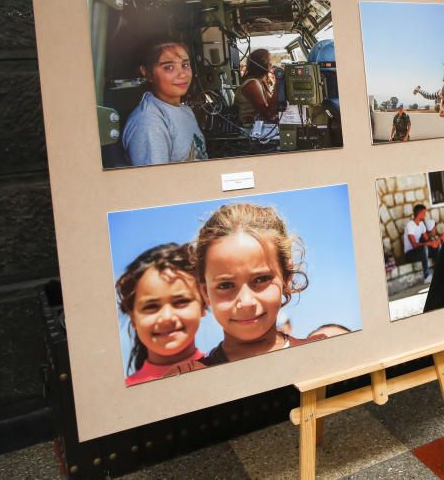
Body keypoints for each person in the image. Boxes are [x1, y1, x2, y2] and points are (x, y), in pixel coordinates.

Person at [192, 203, 312, 365]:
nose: (246, 302)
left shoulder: (318, 356)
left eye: (261, 279)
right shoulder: (188, 379)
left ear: (286, 277)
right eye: (225, 285)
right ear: (205, 293)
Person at [115, 243, 205, 386]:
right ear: (133, 318)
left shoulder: (227, 366)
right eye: (151, 306)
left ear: (203, 304)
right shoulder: (125, 393)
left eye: (181, 301)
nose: (167, 317)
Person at [122, 40, 208, 166]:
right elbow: (155, 181)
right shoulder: (150, 123)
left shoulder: (185, 110)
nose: (183, 74)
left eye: (185, 65)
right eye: (169, 67)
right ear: (147, 73)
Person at [234, 48, 279, 125]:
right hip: (249, 127)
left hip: (258, 124)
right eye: (270, 63)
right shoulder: (252, 84)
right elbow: (268, 112)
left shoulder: (259, 82)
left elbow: (271, 105)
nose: (271, 66)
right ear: (263, 64)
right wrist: (279, 83)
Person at [403, 204, 438, 283]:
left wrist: (433, 242)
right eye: (424, 213)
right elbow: (414, 245)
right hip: (410, 254)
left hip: (420, 252)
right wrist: (428, 244)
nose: (425, 215)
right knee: (424, 247)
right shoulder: (410, 225)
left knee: (436, 247)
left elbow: (427, 239)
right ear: (420, 213)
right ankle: (426, 276)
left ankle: (439, 271)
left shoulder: (421, 225)